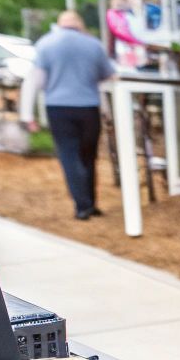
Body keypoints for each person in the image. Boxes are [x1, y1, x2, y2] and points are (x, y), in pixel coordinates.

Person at [25, 11, 115, 221]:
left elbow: (36, 79)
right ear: (79, 24)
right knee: (88, 156)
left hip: (58, 107)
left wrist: (27, 114)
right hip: (88, 107)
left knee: (69, 155)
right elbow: (108, 75)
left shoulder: (46, 44)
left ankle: (82, 205)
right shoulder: (93, 45)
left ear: (59, 24)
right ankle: (90, 203)